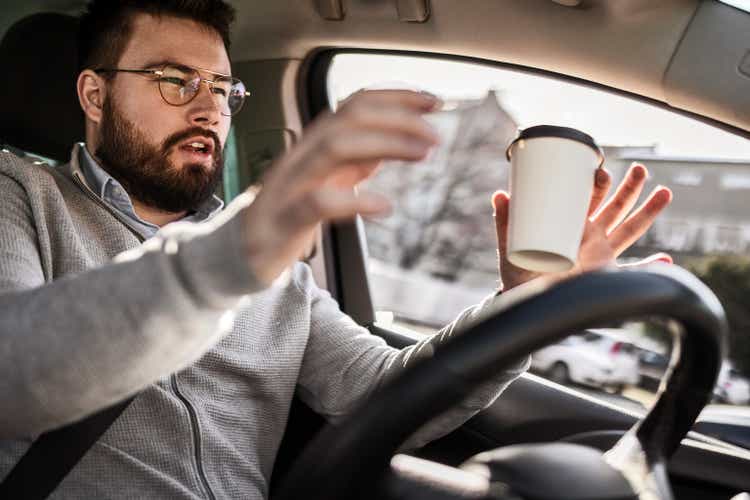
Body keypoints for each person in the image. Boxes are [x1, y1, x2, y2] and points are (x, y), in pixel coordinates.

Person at [0, 0, 673, 498]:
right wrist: (232, 253)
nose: (208, 110)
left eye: (222, 89)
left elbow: (388, 399)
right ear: (95, 93)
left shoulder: (278, 275)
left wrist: (526, 302)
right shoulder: (20, 195)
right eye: (177, 82)